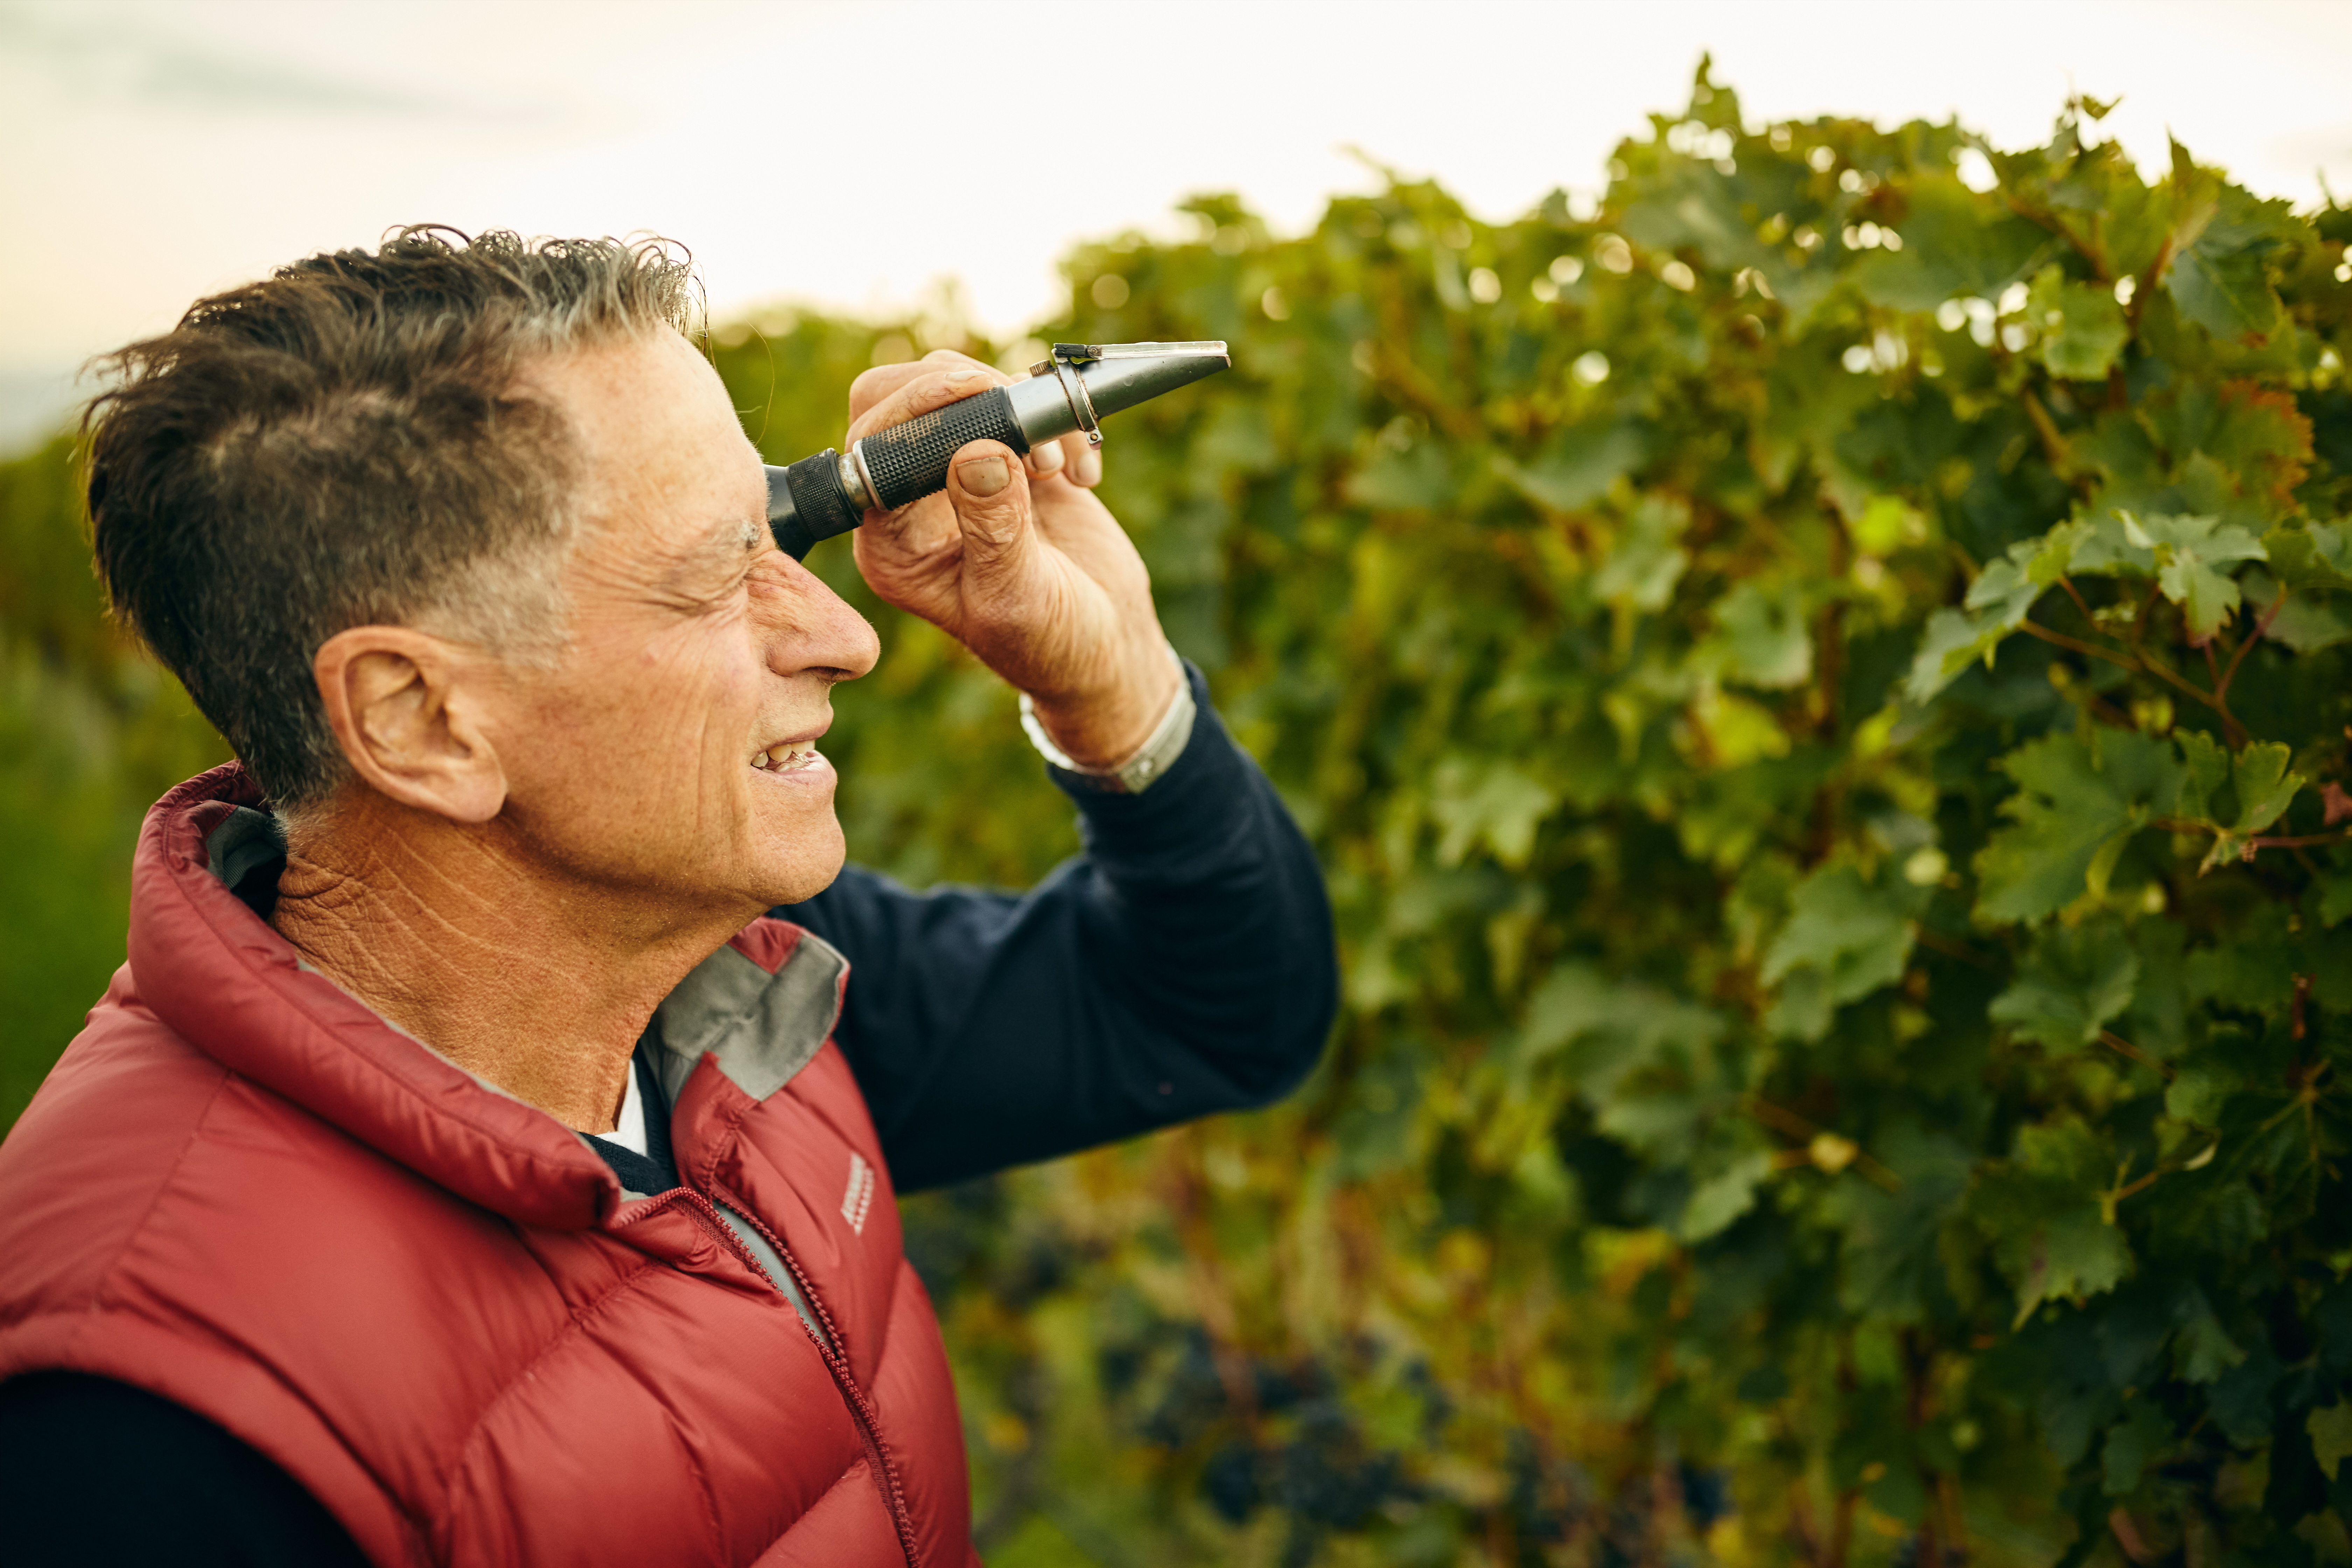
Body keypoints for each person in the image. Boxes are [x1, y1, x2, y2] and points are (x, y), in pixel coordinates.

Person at [0, 228, 1335, 1566]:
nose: (845, 635)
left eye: (780, 531)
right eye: (712, 575)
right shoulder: (145, 1433)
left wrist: (1109, 678)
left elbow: (1207, 1014)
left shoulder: (740, 988)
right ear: (422, 720)